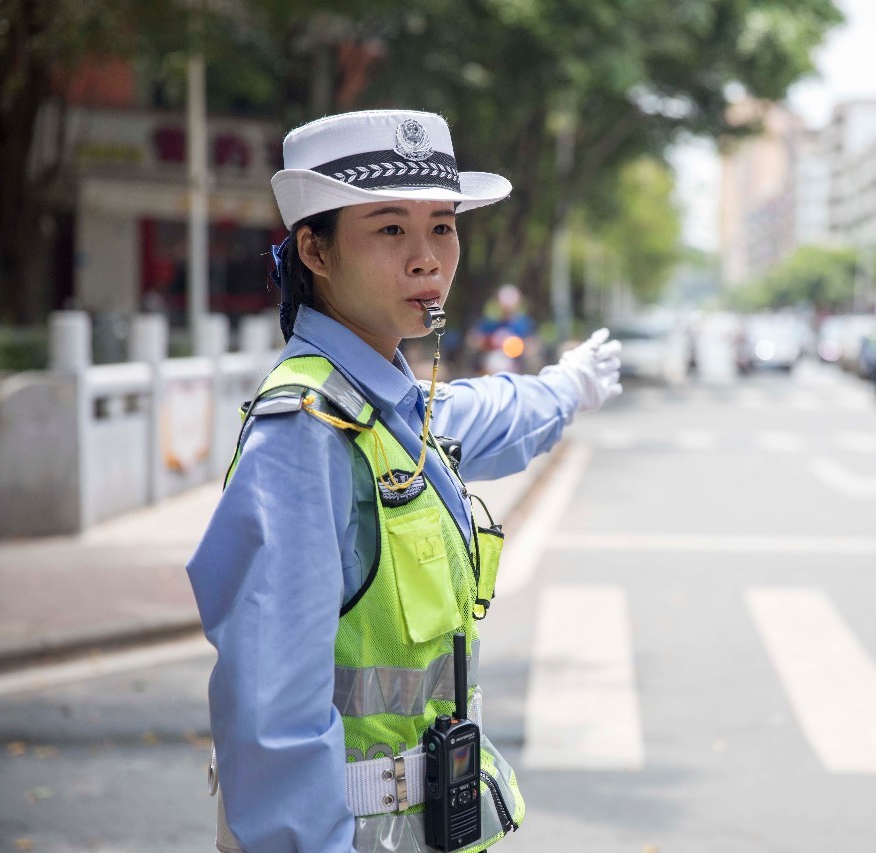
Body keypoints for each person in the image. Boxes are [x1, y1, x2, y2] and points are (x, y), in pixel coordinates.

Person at [186, 110, 622, 852]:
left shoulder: (385, 407)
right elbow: (272, 720)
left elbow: (476, 412)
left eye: (442, 227)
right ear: (315, 251)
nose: (427, 259)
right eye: (390, 229)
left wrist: (565, 387)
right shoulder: (308, 434)